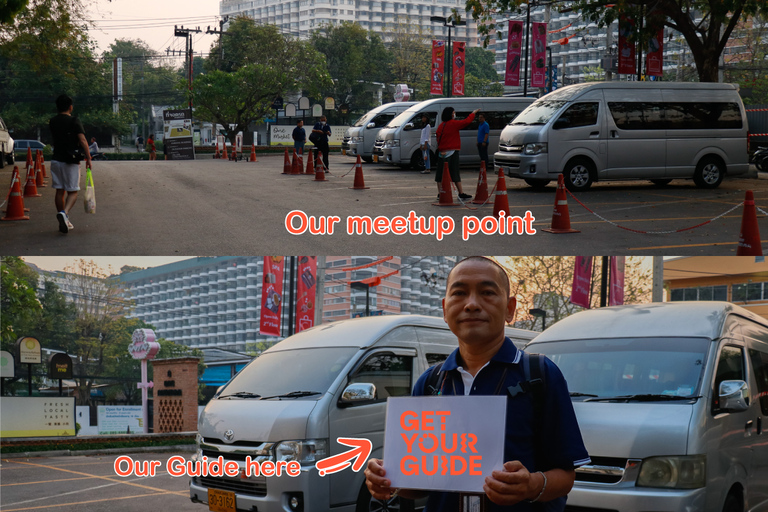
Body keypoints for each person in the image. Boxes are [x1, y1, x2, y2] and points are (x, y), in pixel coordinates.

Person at [365, 256, 590, 512]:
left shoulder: (540, 375)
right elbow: (417, 485)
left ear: (510, 308)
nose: (471, 304)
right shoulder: (431, 382)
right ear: (444, 308)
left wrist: (531, 485)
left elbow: (566, 475)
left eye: (487, 292)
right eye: (459, 293)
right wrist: (388, 479)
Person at [49, 94, 92, 234]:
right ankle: (65, 213)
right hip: (71, 160)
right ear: (70, 107)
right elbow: (83, 140)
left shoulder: (53, 121)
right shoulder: (74, 120)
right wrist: (89, 158)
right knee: (73, 191)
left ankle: (63, 218)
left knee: (59, 191)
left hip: (56, 160)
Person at [435, 107, 478, 201]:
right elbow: (466, 122)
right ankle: (461, 193)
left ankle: (440, 193)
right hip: (452, 152)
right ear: (450, 114)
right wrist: (473, 113)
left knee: (440, 174)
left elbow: (437, 138)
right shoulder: (453, 124)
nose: (454, 114)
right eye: (453, 113)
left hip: (442, 152)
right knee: (455, 173)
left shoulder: (441, 125)